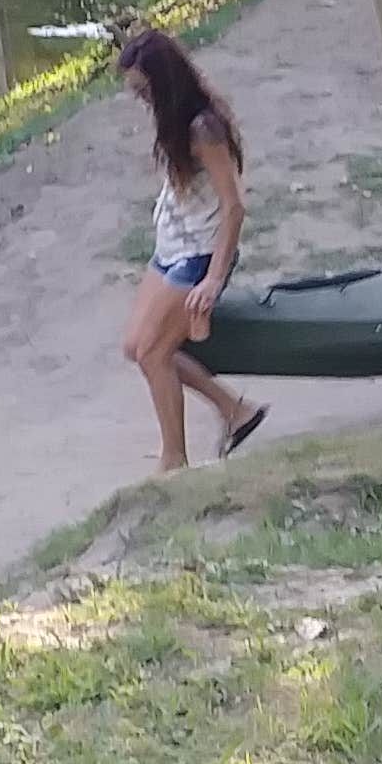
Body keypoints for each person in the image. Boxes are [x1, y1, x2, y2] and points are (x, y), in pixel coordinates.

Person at [116, 27, 270, 472]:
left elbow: (234, 207)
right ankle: (233, 409)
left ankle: (174, 461)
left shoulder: (204, 128)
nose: (139, 99)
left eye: (143, 90)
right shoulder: (174, 121)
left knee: (153, 353)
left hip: (199, 255)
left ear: (163, 82)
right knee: (134, 347)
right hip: (171, 248)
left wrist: (213, 278)